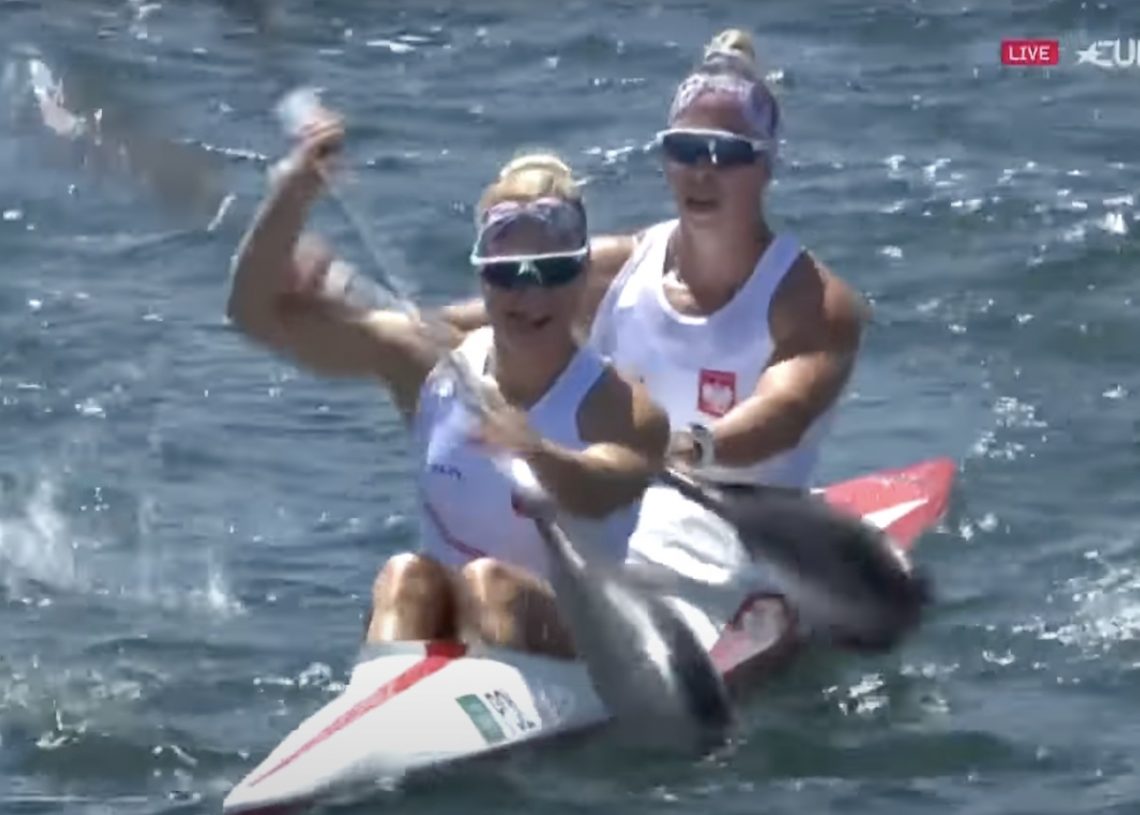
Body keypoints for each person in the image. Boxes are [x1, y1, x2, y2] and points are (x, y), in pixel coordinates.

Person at [225, 107, 670, 660]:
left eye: (552, 271)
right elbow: (252, 314)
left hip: (587, 640)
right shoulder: (431, 368)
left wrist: (538, 453)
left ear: (582, 275)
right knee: (404, 576)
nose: (529, 296)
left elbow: (603, 491)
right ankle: (384, 698)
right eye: (507, 274)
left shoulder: (622, 404)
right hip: (455, 634)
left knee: (491, 585)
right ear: (483, 277)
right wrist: (293, 192)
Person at [443, 27, 868, 492]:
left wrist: (672, 450)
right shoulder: (609, 271)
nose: (701, 172)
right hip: (616, 494)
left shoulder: (815, 302)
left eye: (726, 154)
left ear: (766, 165)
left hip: (750, 509)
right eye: (685, 150)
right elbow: (459, 324)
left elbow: (784, 414)